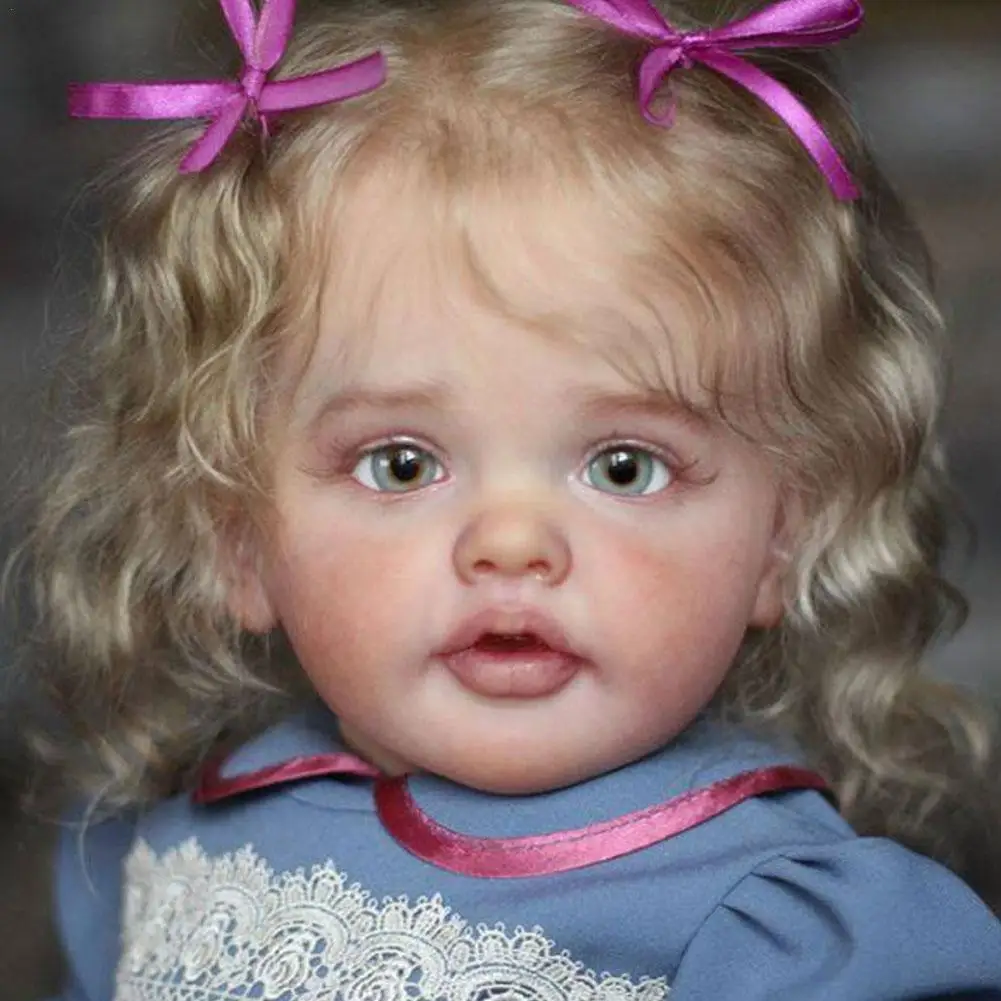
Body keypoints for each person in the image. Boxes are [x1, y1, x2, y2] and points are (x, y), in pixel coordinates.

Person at [21, 0, 1001, 997]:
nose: (511, 542)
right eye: (400, 464)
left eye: (625, 466)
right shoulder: (167, 844)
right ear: (235, 533)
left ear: (781, 538)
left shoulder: (788, 933)